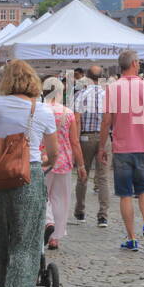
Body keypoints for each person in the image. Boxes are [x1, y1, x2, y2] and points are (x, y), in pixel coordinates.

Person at [0, 59, 58, 287]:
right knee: (26, 242)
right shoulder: (43, 110)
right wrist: (42, 162)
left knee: (1, 237)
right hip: (29, 174)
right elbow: (55, 153)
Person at [99, 49, 144, 251]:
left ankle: (131, 238)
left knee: (125, 194)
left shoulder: (112, 89)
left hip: (122, 148)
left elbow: (106, 122)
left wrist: (102, 147)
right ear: (134, 64)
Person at [45, 92, 85, 249]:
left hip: (44, 158)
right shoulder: (68, 113)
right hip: (63, 160)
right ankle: (55, 238)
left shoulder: (40, 110)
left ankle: (47, 222)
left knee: (43, 195)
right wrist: (81, 165)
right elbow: (74, 141)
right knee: (61, 199)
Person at [73, 65, 111, 227]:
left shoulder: (80, 94)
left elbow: (76, 120)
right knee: (103, 178)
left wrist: (76, 140)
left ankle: (80, 211)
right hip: (104, 137)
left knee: (83, 174)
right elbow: (111, 120)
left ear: (87, 77)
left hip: (85, 137)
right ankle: (103, 216)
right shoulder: (108, 96)